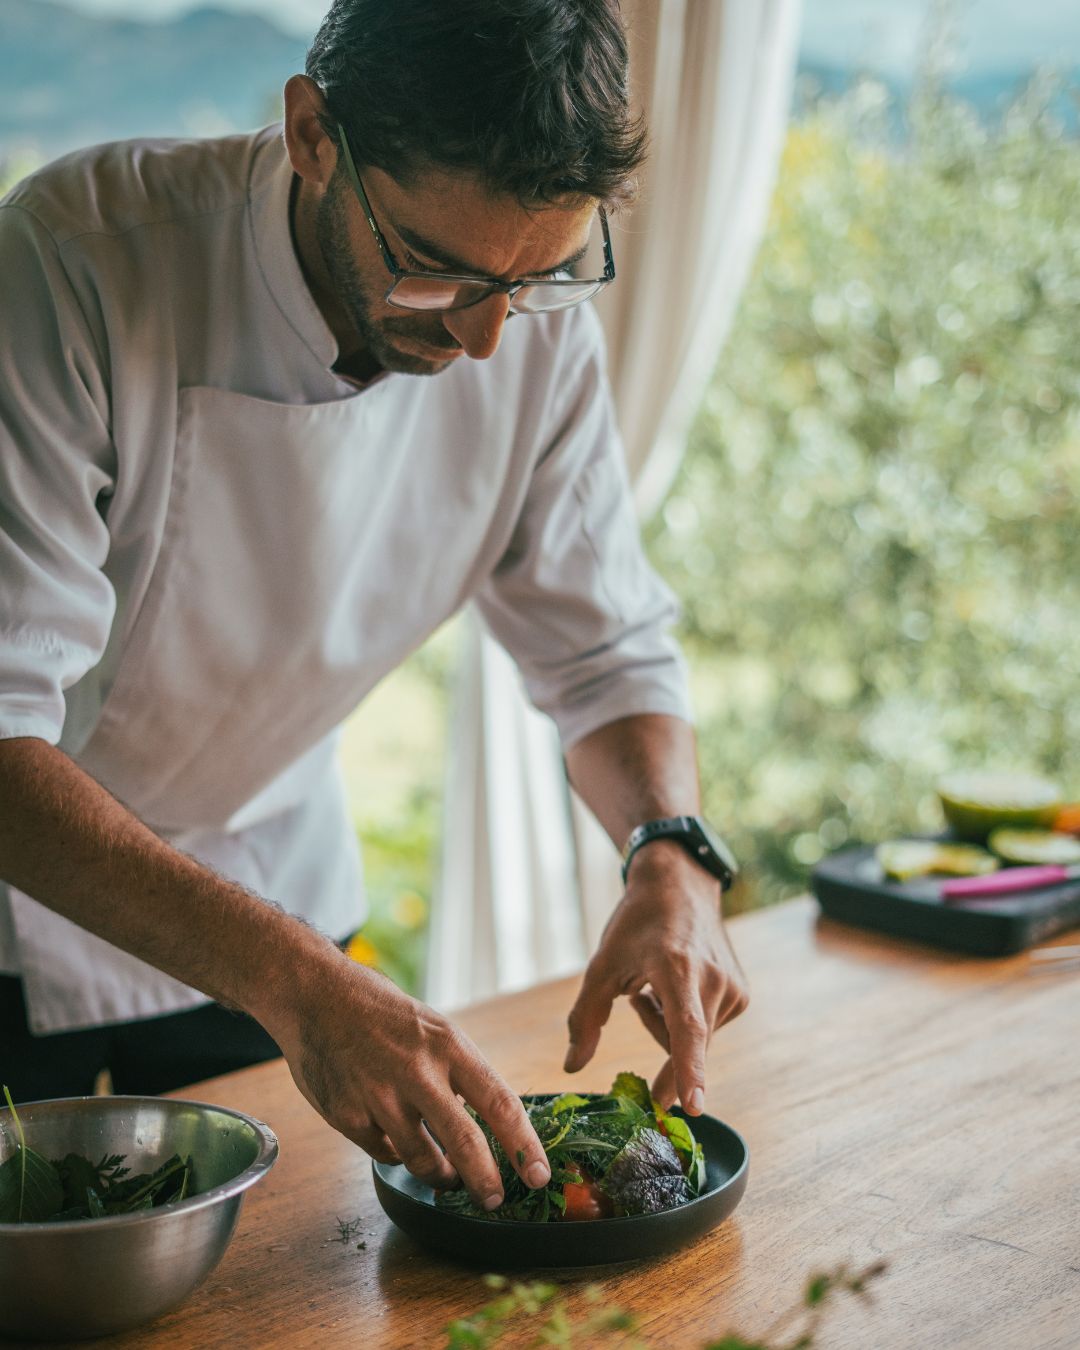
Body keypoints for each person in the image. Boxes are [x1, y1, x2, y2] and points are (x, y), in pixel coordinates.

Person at [0, 0, 748, 1212]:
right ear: (311, 133)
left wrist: (672, 852)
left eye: (538, 277)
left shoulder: (527, 324)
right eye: (434, 266)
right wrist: (297, 979)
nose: (488, 336)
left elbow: (606, 651)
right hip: (38, 903)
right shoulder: (73, 262)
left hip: (277, 895)